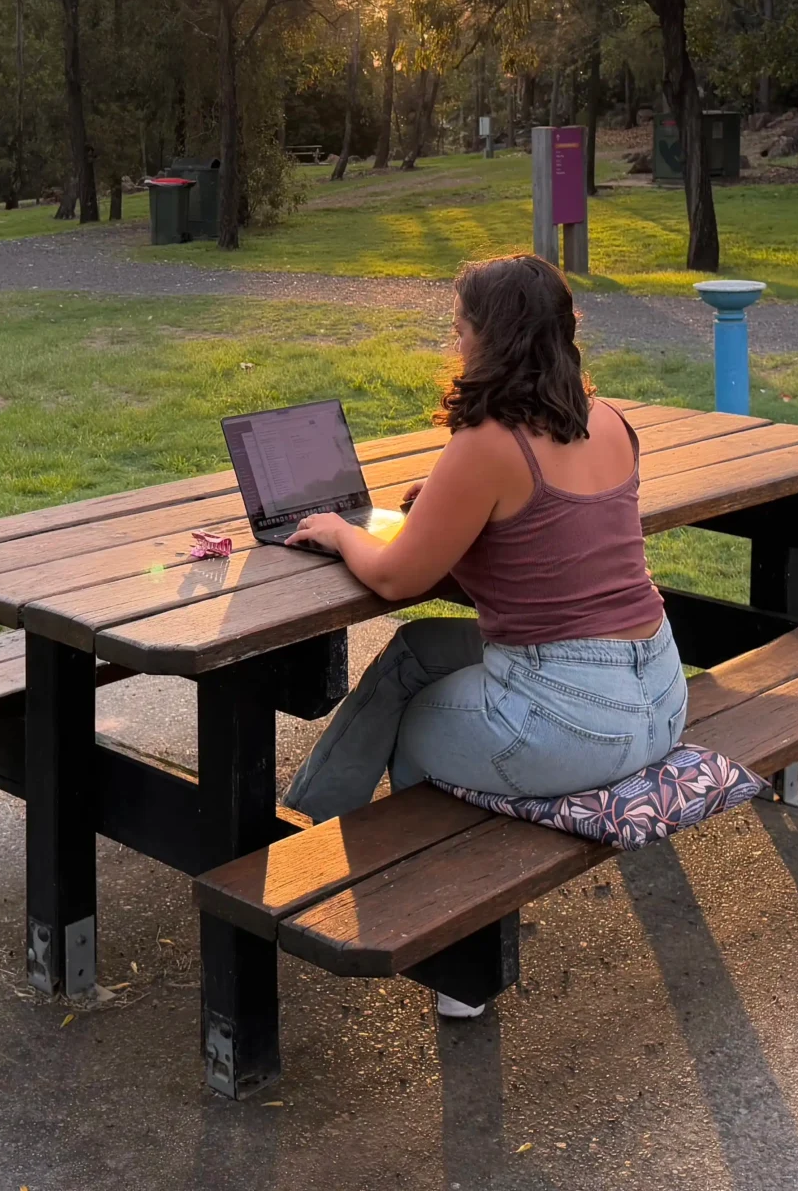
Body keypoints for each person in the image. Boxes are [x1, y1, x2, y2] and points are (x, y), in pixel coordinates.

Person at [283, 254, 688, 1012]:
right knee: (414, 655)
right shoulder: (610, 420)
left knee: (412, 731)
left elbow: (399, 577)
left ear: (492, 340)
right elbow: (547, 548)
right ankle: (303, 826)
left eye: (460, 326)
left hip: (571, 722)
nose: (454, 338)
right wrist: (439, 502)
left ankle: (450, 959)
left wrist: (340, 533)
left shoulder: (491, 442)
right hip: (661, 696)